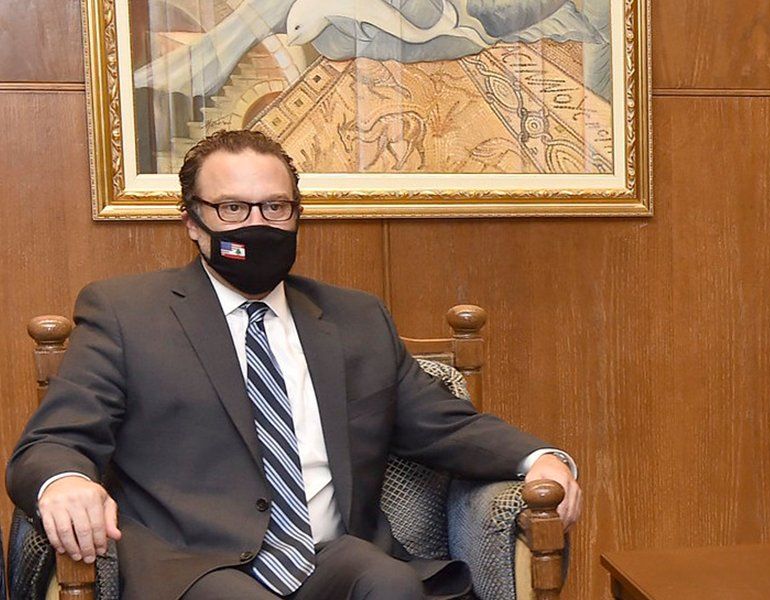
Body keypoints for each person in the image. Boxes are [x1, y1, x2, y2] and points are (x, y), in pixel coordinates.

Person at [7, 130, 581, 600]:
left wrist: (541, 459)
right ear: (192, 222)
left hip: (331, 556)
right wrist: (65, 481)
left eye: (275, 207)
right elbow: (51, 442)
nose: (257, 224)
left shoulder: (356, 318)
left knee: (393, 584)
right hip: (194, 566)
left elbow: (444, 424)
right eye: (232, 208)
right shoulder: (127, 314)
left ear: (297, 214)